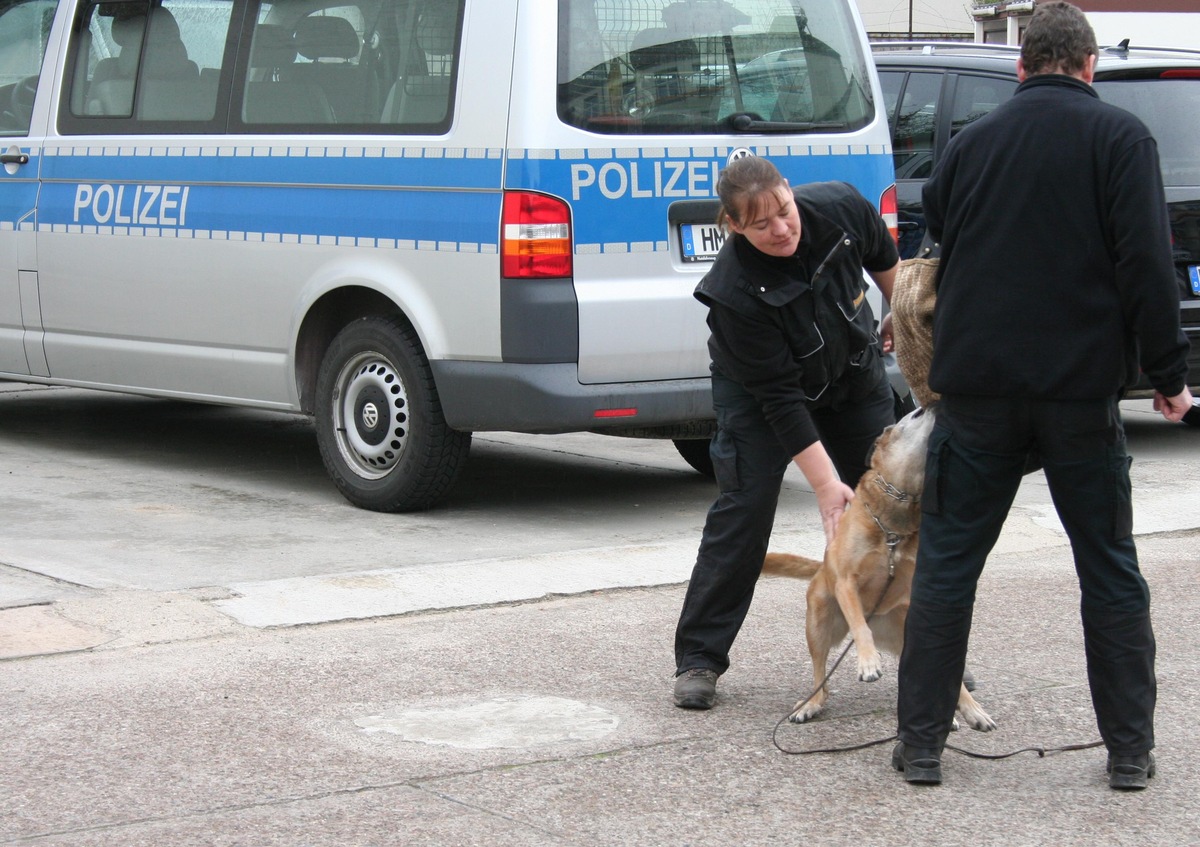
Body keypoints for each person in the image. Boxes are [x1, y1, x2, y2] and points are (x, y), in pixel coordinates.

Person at [891, 1, 1194, 790]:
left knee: (950, 565)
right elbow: (1145, 268)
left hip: (980, 390)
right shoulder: (1122, 139)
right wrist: (1167, 375)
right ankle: (1129, 752)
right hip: (1079, 393)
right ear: (1090, 66)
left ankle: (921, 745)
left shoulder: (969, 145)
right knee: (1108, 566)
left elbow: (943, 240)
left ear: (1021, 67)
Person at [673, 156, 900, 710]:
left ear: (791, 194)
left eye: (784, 211)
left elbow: (885, 258)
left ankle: (937, 653)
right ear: (732, 226)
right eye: (760, 224)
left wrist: (899, 307)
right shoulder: (732, 293)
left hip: (851, 373)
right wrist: (826, 486)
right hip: (760, 398)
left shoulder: (843, 207)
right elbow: (781, 401)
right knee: (745, 508)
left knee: (899, 506)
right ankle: (700, 657)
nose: (780, 230)